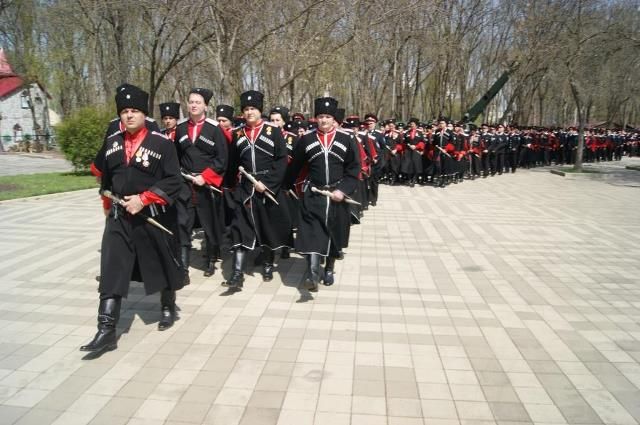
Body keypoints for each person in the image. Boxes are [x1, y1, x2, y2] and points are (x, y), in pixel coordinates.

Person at [80, 84, 183, 354]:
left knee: (161, 263)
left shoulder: (162, 143)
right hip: (118, 218)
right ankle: (106, 330)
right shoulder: (112, 142)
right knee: (111, 269)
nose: (129, 115)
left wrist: (144, 198)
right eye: (124, 111)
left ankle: (167, 306)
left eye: (134, 110)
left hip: (151, 217)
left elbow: (174, 180)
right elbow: (106, 179)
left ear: (144, 114)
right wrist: (106, 204)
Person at [285, 97, 361, 292]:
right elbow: (295, 167)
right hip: (314, 193)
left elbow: (354, 169)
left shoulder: (346, 139)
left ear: (334, 119)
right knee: (312, 232)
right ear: (315, 118)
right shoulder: (306, 140)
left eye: (327, 116)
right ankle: (312, 274)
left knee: (335, 233)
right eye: (320, 116)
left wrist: (343, 190)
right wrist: (286, 186)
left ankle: (329, 267)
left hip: (337, 195)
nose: (324, 120)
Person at [223, 90, 292, 290]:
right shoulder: (237, 134)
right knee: (239, 228)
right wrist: (229, 187)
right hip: (245, 188)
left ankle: (268, 263)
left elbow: (281, 161)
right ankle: (237, 274)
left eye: (253, 108)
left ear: (260, 111)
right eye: (246, 109)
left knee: (267, 226)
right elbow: (232, 163)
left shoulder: (273, 131)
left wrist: (268, 184)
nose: (249, 112)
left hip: (268, 187)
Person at [174, 88, 228, 279]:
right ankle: (183, 267)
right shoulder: (180, 128)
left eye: (198, 102)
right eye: (191, 102)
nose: (194, 105)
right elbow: (176, 157)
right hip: (185, 185)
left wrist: (205, 176)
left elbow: (222, 159)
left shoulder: (215, 129)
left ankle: (211, 260)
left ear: (205, 106)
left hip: (207, 186)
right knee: (183, 223)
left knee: (209, 223)